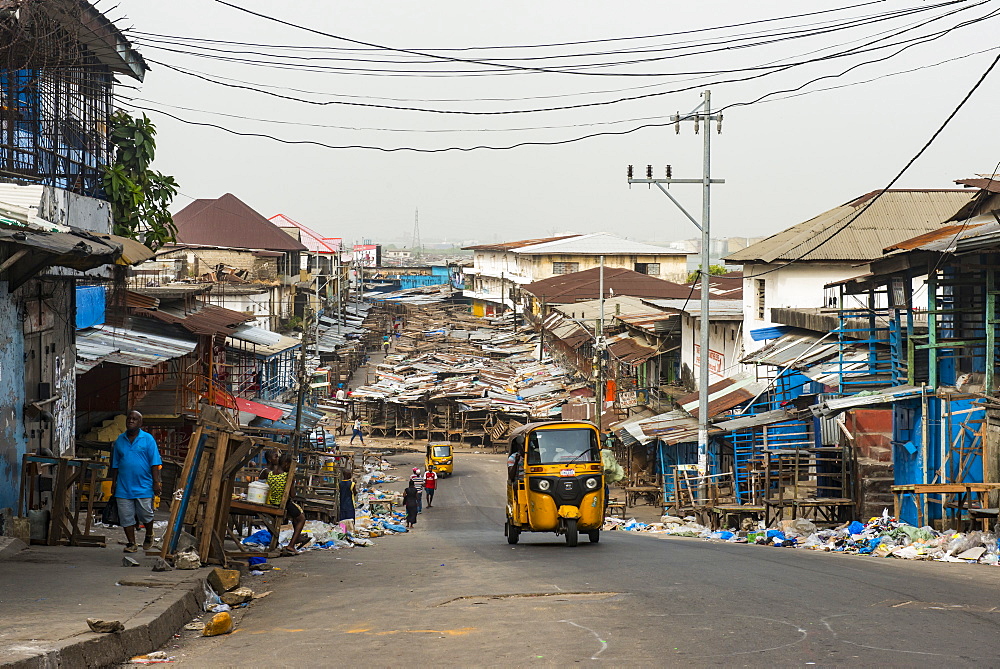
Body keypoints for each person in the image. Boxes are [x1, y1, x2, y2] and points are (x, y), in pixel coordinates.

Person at [110, 411, 162, 553]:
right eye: (129, 419)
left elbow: (155, 462)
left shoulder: (148, 439)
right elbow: (115, 464)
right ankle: (131, 543)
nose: (131, 421)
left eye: (135, 419)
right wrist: (113, 483)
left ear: (140, 423)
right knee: (126, 517)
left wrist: (156, 482)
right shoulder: (120, 440)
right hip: (123, 486)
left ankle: (149, 533)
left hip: (143, 485)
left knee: (146, 514)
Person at [266, 453, 307, 555]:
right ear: (285, 464)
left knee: (295, 517)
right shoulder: (287, 476)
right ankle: (291, 545)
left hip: (273, 503)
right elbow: (292, 495)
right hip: (284, 503)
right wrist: (292, 483)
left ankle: (297, 537)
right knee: (301, 518)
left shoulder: (270, 474)